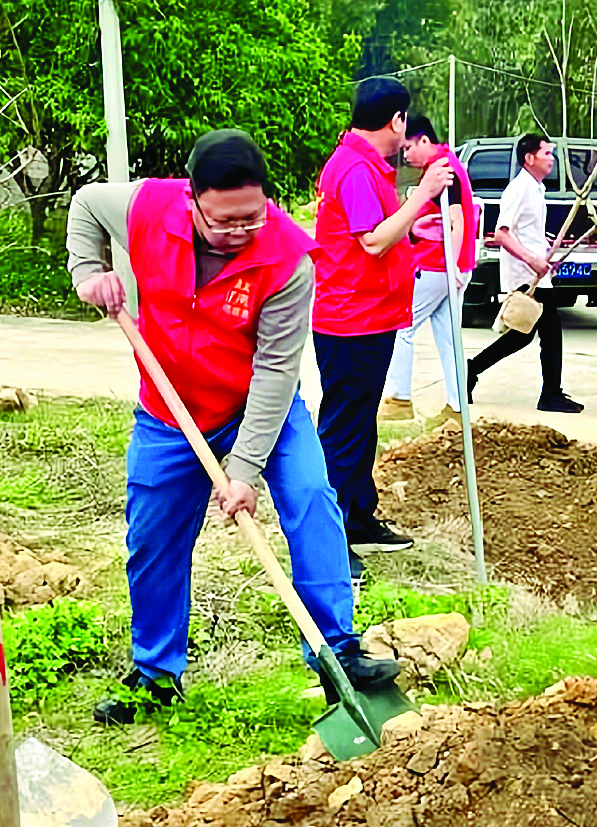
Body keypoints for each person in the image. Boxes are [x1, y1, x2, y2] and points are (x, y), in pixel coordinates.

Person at [66, 130, 401, 721]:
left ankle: (337, 652)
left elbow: (277, 370)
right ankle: (154, 673)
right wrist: (87, 269)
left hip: (258, 406)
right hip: (170, 412)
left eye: (252, 215)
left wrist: (242, 469)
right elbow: (88, 202)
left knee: (311, 500)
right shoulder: (147, 207)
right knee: (153, 538)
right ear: (191, 201)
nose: (240, 231)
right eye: (224, 222)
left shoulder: (288, 260)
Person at [310, 79, 452, 565]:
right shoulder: (353, 169)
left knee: (359, 426)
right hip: (351, 320)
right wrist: (423, 194)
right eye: (405, 120)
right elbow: (371, 240)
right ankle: (330, 539)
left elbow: (378, 233)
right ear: (396, 121)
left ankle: (358, 517)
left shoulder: (366, 166)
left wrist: (418, 222)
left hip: (371, 316)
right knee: (343, 430)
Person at [466, 132, 584, 415]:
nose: (551, 159)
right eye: (547, 154)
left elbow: (526, 231)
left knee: (522, 335)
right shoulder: (518, 189)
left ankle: (470, 369)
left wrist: (547, 250)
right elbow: (502, 235)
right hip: (524, 274)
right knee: (550, 333)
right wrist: (532, 260)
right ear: (529, 158)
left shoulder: (536, 189)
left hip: (536, 272)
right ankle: (550, 395)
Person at [381, 114, 478, 423]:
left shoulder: (441, 171)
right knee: (449, 338)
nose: (405, 154)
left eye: (409, 147)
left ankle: (398, 400)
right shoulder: (446, 164)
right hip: (451, 266)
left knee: (402, 327)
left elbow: (457, 221)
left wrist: (451, 271)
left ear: (424, 141)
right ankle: (457, 407)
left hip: (437, 266)